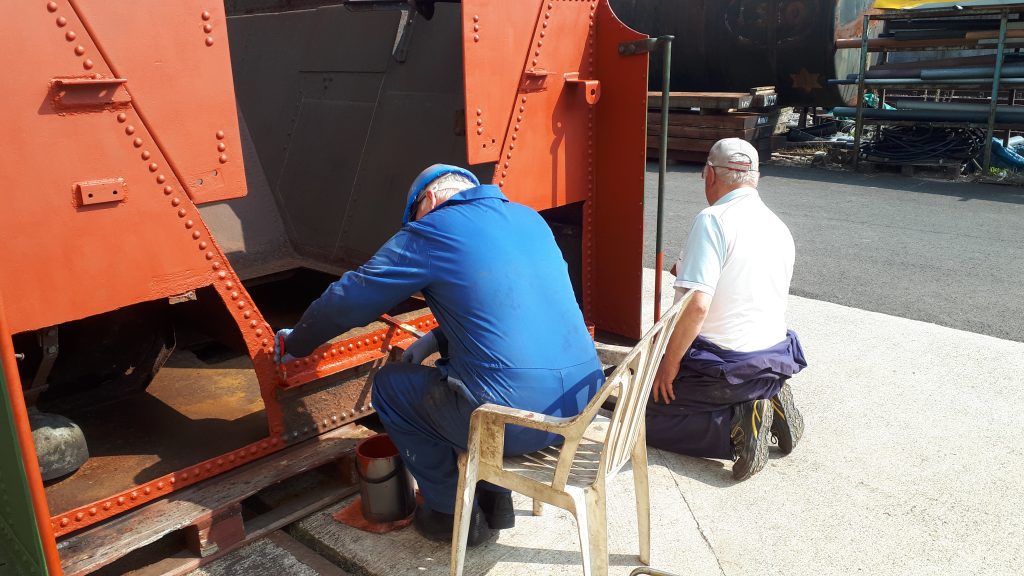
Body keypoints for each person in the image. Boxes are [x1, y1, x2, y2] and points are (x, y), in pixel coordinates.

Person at [274, 164, 603, 545]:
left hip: (515, 427)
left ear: (427, 200)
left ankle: (449, 513)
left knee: (392, 388)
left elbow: (348, 299)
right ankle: (496, 501)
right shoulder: (529, 219)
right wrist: (434, 340)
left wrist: (297, 342)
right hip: (580, 411)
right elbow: (506, 306)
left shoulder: (432, 229)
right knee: (469, 373)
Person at [646, 138, 807, 481]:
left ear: (709, 175)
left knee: (632, 413)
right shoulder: (778, 226)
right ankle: (769, 396)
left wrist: (668, 363)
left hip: (722, 367)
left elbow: (697, 307)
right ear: (756, 178)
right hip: (773, 357)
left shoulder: (713, 220)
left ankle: (737, 427)